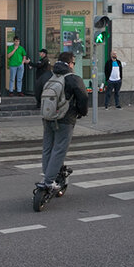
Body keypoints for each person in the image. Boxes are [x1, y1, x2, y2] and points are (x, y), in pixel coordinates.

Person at [39, 51, 88, 190]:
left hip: (47, 117)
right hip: (65, 119)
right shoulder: (73, 78)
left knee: (47, 148)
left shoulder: (49, 76)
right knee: (59, 149)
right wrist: (81, 112)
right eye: (74, 63)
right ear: (70, 63)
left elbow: (38, 93)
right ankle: (49, 181)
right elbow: (83, 97)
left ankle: (46, 176)